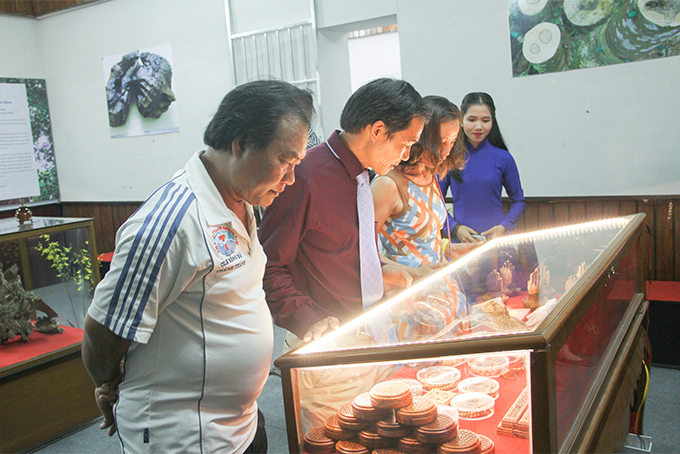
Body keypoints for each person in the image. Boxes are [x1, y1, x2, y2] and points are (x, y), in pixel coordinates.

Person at [81, 80, 314, 454]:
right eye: (285, 161)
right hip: (185, 435)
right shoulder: (171, 223)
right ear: (239, 144)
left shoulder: (241, 199)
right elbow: (103, 331)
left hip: (240, 422)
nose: (290, 178)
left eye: (296, 164)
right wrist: (108, 384)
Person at [258, 77, 428, 430]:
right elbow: (268, 266)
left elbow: (338, 248)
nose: (407, 155)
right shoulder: (306, 177)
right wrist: (311, 321)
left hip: (373, 336)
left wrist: (380, 270)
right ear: (378, 130)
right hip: (332, 352)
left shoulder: (361, 174)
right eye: (407, 143)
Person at [371, 95, 473, 332]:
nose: (446, 150)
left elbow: (423, 239)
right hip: (409, 298)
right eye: (440, 141)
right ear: (419, 138)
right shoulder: (387, 184)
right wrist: (415, 272)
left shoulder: (431, 175)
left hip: (442, 290)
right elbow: (361, 254)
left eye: (452, 141)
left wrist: (452, 248)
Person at [439, 92, 526, 243]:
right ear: (461, 120)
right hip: (462, 241)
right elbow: (435, 202)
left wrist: (504, 227)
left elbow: (519, 200)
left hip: (496, 240)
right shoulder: (449, 157)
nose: (478, 127)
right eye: (472, 120)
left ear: (493, 121)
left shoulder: (503, 158)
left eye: (485, 120)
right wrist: (455, 228)